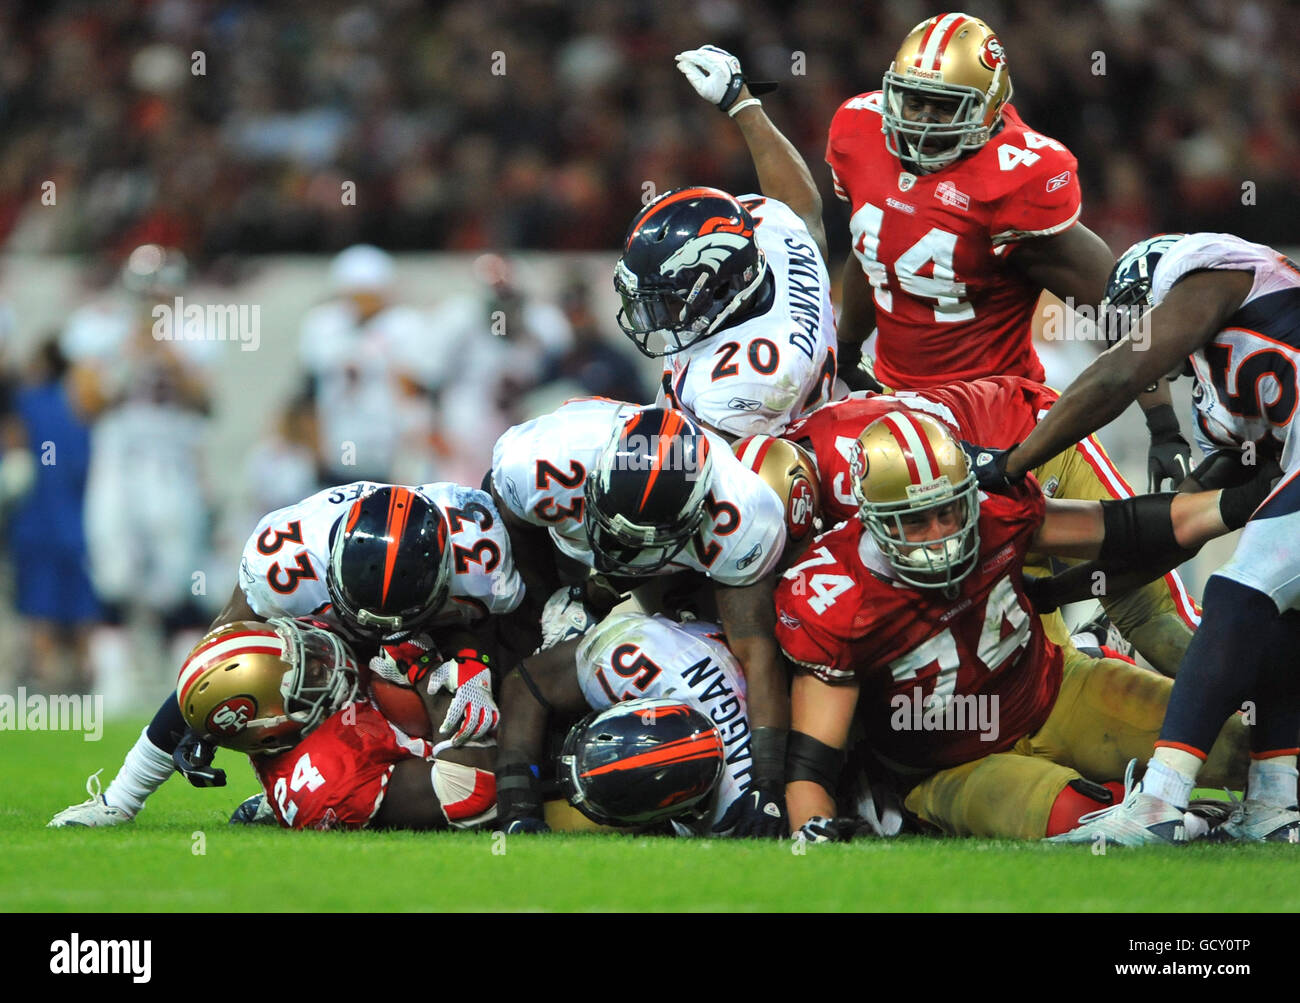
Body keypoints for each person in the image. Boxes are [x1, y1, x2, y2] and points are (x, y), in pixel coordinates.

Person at [775, 409, 1265, 841]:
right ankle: (1196, 819)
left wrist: (1249, 499)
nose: (942, 536)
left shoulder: (995, 511)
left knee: (1237, 746)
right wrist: (812, 834)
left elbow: (1124, 527)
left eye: (948, 511)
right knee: (1080, 815)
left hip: (1054, 691)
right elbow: (811, 767)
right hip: (955, 765)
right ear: (875, 521)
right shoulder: (836, 600)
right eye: (917, 521)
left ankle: (1169, 800)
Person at [970, 232, 1300, 843]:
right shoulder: (1224, 398)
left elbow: (1121, 373)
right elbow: (1175, 530)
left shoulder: (1220, 273)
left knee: (1238, 593)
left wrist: (1010, 464)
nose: (1133, 334)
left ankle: (1161, 801)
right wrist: (1057, 592)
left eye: (1136, 317)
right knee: (1275, 612)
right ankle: (1277, 806)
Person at [48, 481, 525, 827]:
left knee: (489, 717)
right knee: (249, 676)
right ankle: (314, 785)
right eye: (362, 617)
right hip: (336, 666)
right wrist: (129, 792)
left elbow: (498, 627)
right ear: (330, 573)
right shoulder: (287, 561)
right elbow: (216, 666)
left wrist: (475, 670)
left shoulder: (479, 548)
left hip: (429, 654)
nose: (374, 631)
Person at [489, 402, 790, 836]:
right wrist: (548, 601)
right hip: (569, 545)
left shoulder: (741, 517)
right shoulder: (542, 463)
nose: (627, 549)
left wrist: (767, 784)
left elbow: (755, 649)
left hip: (678, 578)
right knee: (526, 656)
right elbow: (513, 521)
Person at [613, 45, 837, 440]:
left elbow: (712, 484)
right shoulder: (773, 237)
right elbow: (802, 212)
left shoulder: (747, 379)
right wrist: (742, 103)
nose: (656, 316)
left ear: (720, 290)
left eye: (668, 300)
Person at [176, 617, 495, 831]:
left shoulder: (292, 720)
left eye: (309, 648)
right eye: (311, 671)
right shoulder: (325, 775)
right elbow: (472, 791)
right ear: (269, 728)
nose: (324, 658)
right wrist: (427, 674)